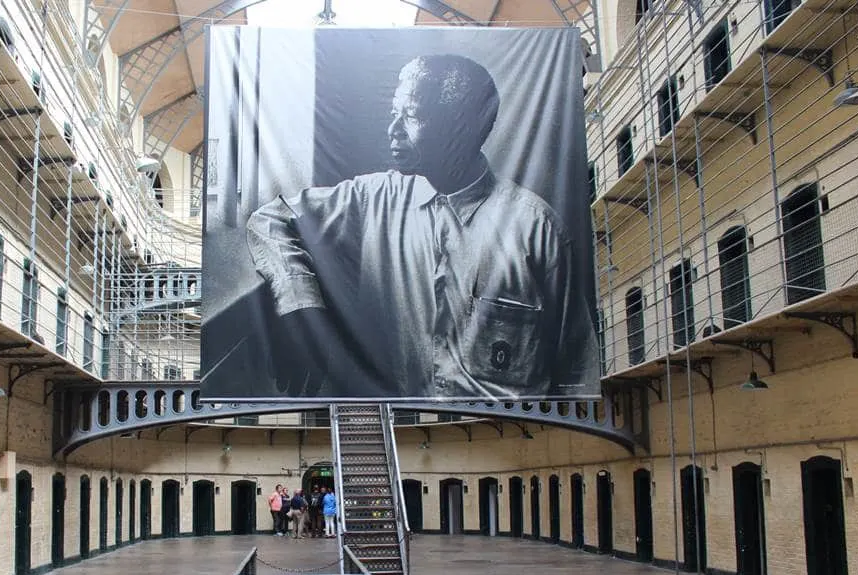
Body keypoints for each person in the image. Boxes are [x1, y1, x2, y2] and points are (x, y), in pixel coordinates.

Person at [247, 53, 599, 400]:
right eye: (393, 113)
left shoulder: (537, 231)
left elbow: (577, 374)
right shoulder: (374, 198)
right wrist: (299, 304)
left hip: (504, 436)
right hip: (406, 433)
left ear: (459, 126)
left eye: (411, 116)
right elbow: (269, 220)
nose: (393, 129)